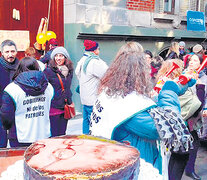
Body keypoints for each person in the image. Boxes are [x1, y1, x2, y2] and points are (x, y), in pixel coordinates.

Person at [89, 42, 194, 177]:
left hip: (114, 159)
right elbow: (168, 127)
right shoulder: (128, 105)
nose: (149, 72)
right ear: (138, 74)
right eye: (146, 69)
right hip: (137, 167)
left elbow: (147, 108)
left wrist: (171, 90)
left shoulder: (110, 93)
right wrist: (170, 91)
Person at [0, 57, 54, 147]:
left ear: (19, 69)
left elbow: (6, 114)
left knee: (20, 160)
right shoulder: (49, 87)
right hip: (43, 134)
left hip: (20, 136)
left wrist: (7, 127)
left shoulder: (12, 89)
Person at [75, 40, 108, 134]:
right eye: (98, 49)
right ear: (95, 50)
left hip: (85, 97)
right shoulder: (94, 62)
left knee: (85, 121)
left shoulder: (82, 60)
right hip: (93, 98)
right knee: (93, 123)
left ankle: (85, 138)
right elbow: (106, 74)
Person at [183, 54, 207, 180]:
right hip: (183, 113)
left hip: (196, 116)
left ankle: (189, 168)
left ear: (200, 64)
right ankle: (184, 167)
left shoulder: (204, 78)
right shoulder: (183, 75)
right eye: (190, 60)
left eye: (195, 60)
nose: (192, 62)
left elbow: (204, 98)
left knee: (195, 142)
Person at [44, 46, 73, 137]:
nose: (58, 58)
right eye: (56, 56)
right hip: (54, 106)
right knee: (54, 134)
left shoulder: (69, 70)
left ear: (65, 58)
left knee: (63, 133)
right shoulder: (48, 71)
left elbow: (67, 87)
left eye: (61, 56)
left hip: (65, 106)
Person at [0, 39, 19, 148]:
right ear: (2, 53)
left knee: (16, 143)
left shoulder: (21, 66)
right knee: (1, 142)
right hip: (1, 108)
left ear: (16, 52)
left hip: (17, 109)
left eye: (12, 51)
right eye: (7, 52)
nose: (10, 54)